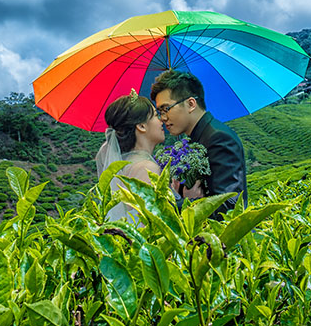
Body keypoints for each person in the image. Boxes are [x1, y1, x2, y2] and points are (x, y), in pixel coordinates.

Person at [150, 70, 248, 219]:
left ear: (190, 104)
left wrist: (179, 204)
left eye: (166, 109)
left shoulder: (218, 138)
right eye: (160, 111)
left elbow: (230, 205)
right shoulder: (194, 139)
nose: (163, 118)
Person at [95, 89, 166, 223]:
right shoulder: (147, 168)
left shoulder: (125, 164)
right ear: (141, 126)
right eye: (156, 115)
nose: (162, 120)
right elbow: (148, 222)